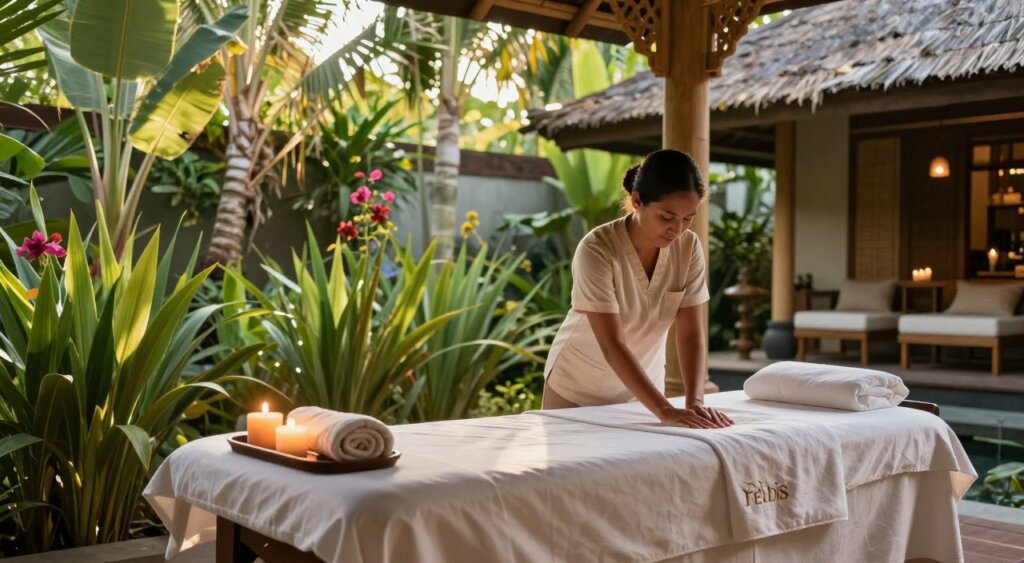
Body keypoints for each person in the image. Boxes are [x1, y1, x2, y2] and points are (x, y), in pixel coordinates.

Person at [541, 149, 734, 429]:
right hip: (577, 388)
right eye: (666, 217)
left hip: (643, 394)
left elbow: (691, 333)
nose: (677, 229)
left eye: (687, 218)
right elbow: (612, 344)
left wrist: (695, 402)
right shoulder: (597, 249)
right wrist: (666, 411)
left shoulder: (689, 248)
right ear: (637, 201)